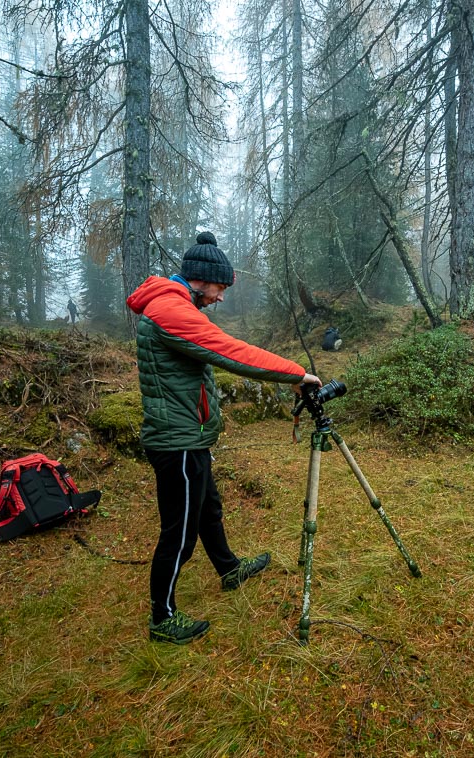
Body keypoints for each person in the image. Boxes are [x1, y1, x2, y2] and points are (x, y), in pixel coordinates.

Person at [126, 231, 322, 645]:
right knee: (178, 533)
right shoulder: (170, 311)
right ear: (200, 280)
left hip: (189, 436)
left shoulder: (175, 304)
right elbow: (233, 353)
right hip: (176, 441)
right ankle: (162, 617)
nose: (220, 298)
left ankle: (228, 568)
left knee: (208, 509)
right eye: (220, 288)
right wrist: (296, 374)